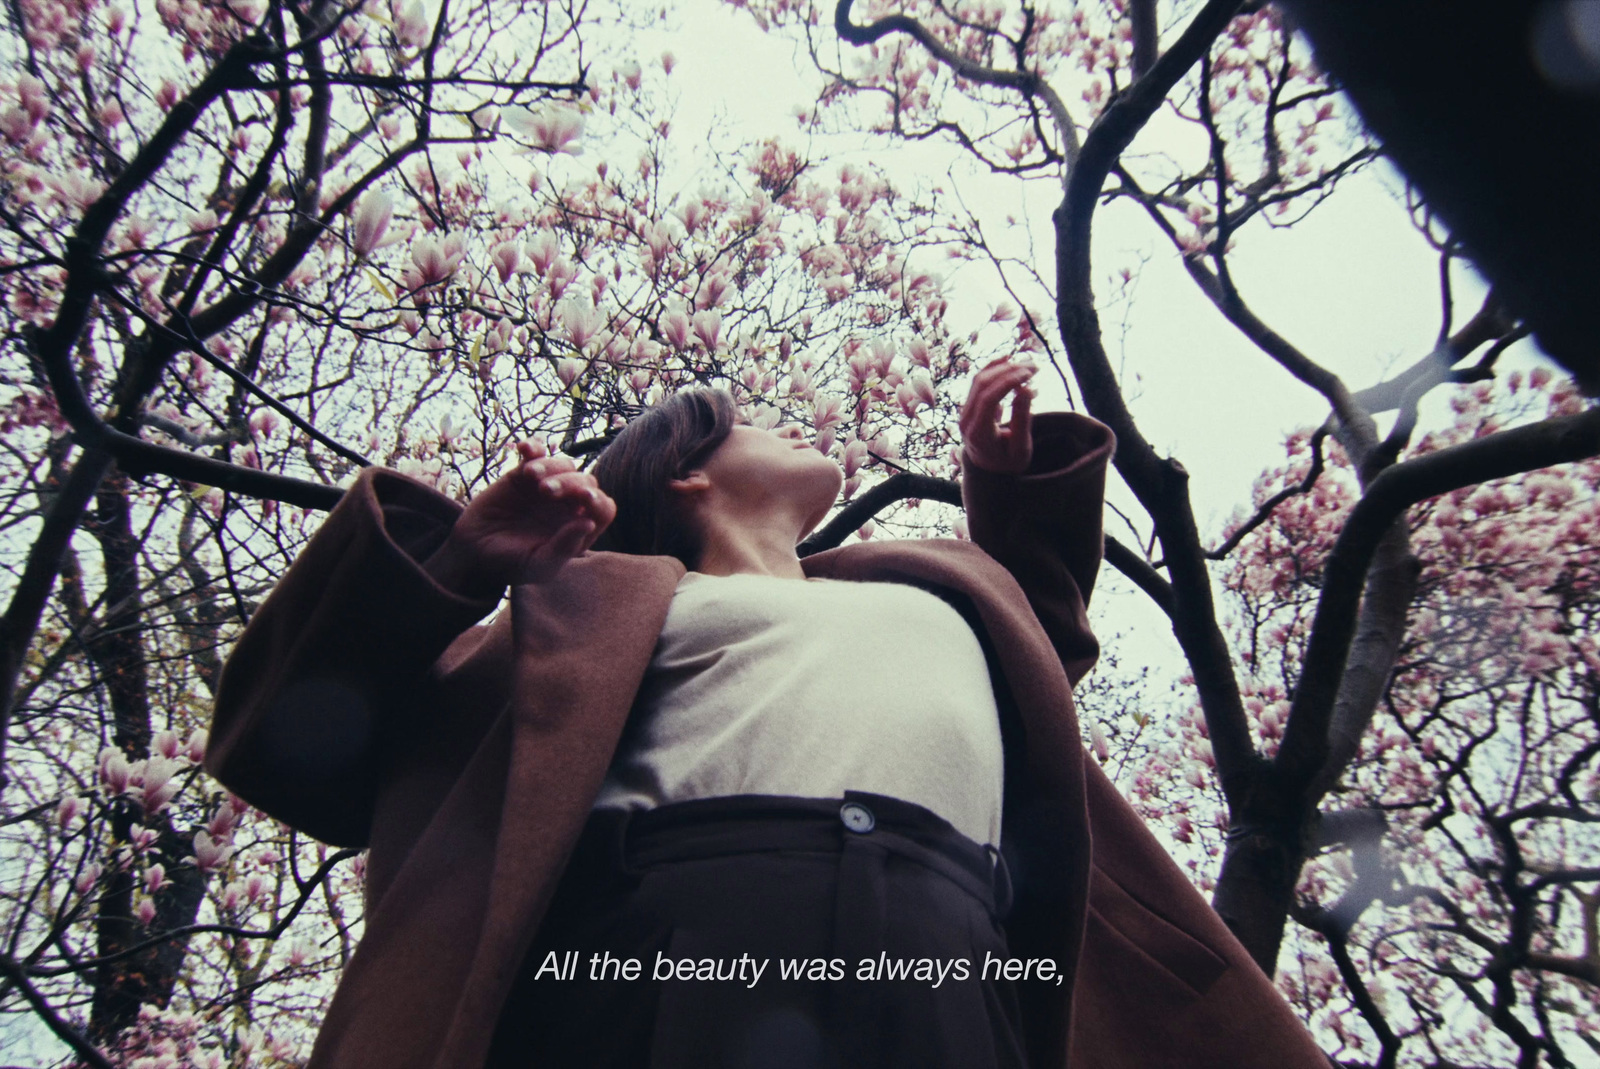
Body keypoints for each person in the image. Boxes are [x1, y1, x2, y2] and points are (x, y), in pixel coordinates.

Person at [205, 355, 1331, 1069]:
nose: (795, 427)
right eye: (754, 423)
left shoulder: (930, 588)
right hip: (665, 941)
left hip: (954, 962)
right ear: (685, 474)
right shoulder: (584, 618)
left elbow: (1041, 639)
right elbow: (294, 749)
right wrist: (460, 558)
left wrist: (1012, 486)